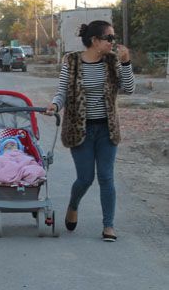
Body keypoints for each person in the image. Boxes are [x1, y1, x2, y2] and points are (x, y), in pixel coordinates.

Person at [45, 20, 134, 242]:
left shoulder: (113, 61)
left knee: (106, 177)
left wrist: (126, 63)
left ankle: (108, 226)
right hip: (80, 129)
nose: (113, 42)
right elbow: (62, 91)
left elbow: (130, 89)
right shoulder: (72, 61)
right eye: (109, 38)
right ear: (95, 41)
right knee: (85, 178)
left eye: (113, 38)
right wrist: (55, 105)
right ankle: (73, 205)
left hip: (107, 129)